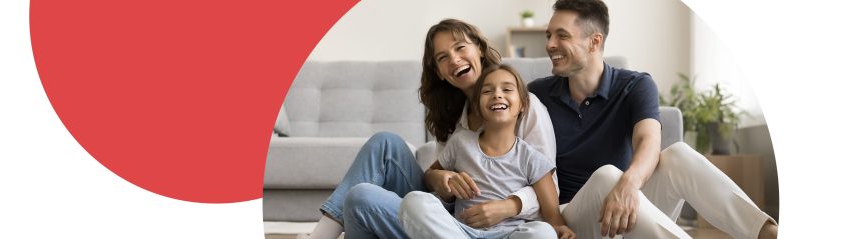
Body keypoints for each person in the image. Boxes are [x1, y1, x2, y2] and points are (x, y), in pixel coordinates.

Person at [526, 0, 779, 238]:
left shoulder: (635, 85)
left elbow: (649, 141)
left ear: (594, 42)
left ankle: (767, 232)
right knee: (606, 177)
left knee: (678, 154)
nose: (550, 44)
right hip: (573, 220)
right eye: (549, 35)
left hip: (627, 211)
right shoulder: (537, 94)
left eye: (562, 35)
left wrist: (628, 184)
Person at [300, 19, 557, 239]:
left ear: (479, 48)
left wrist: (509, 206)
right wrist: (439, 179)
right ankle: (322, 234)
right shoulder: (455, 119)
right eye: (443, 58)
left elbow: (549, 185)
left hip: (503, 224)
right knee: (377, 160)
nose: (455, 60)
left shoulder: (524, 106)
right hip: (449, 220)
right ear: (440, 72)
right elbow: (439, 181)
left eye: (460, 48)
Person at [399, 65, 574, 239]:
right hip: (462, 232)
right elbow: (430, 176)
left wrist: (559, 227)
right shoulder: (460, 142)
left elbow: (553, 216)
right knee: (414, 202)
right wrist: (442, 178)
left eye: (506, 89)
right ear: (477, 106)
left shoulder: (531, 157)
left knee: (543, 232)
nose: (497, 95)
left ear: (523, 104)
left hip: (510, 234)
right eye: (487, 91)